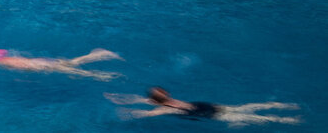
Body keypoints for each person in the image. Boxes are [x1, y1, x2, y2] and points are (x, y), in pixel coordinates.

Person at [105, 87, 301, 126]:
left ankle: (285, 119)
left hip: (207, 112)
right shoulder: (166, 103)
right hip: (206, 106)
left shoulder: (160, 106)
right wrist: (127, 105)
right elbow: (146, 106)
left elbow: (146, 111)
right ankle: (279, 106)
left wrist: (129, 112)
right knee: (245, 108)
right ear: (165, 94)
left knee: (248, 118)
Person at [0, 48, 123, 81]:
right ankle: (96, 54)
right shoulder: (4, 59)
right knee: (71, 64)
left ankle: (100, 75)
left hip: (38, 66)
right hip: (38, 62)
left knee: (75, 71)